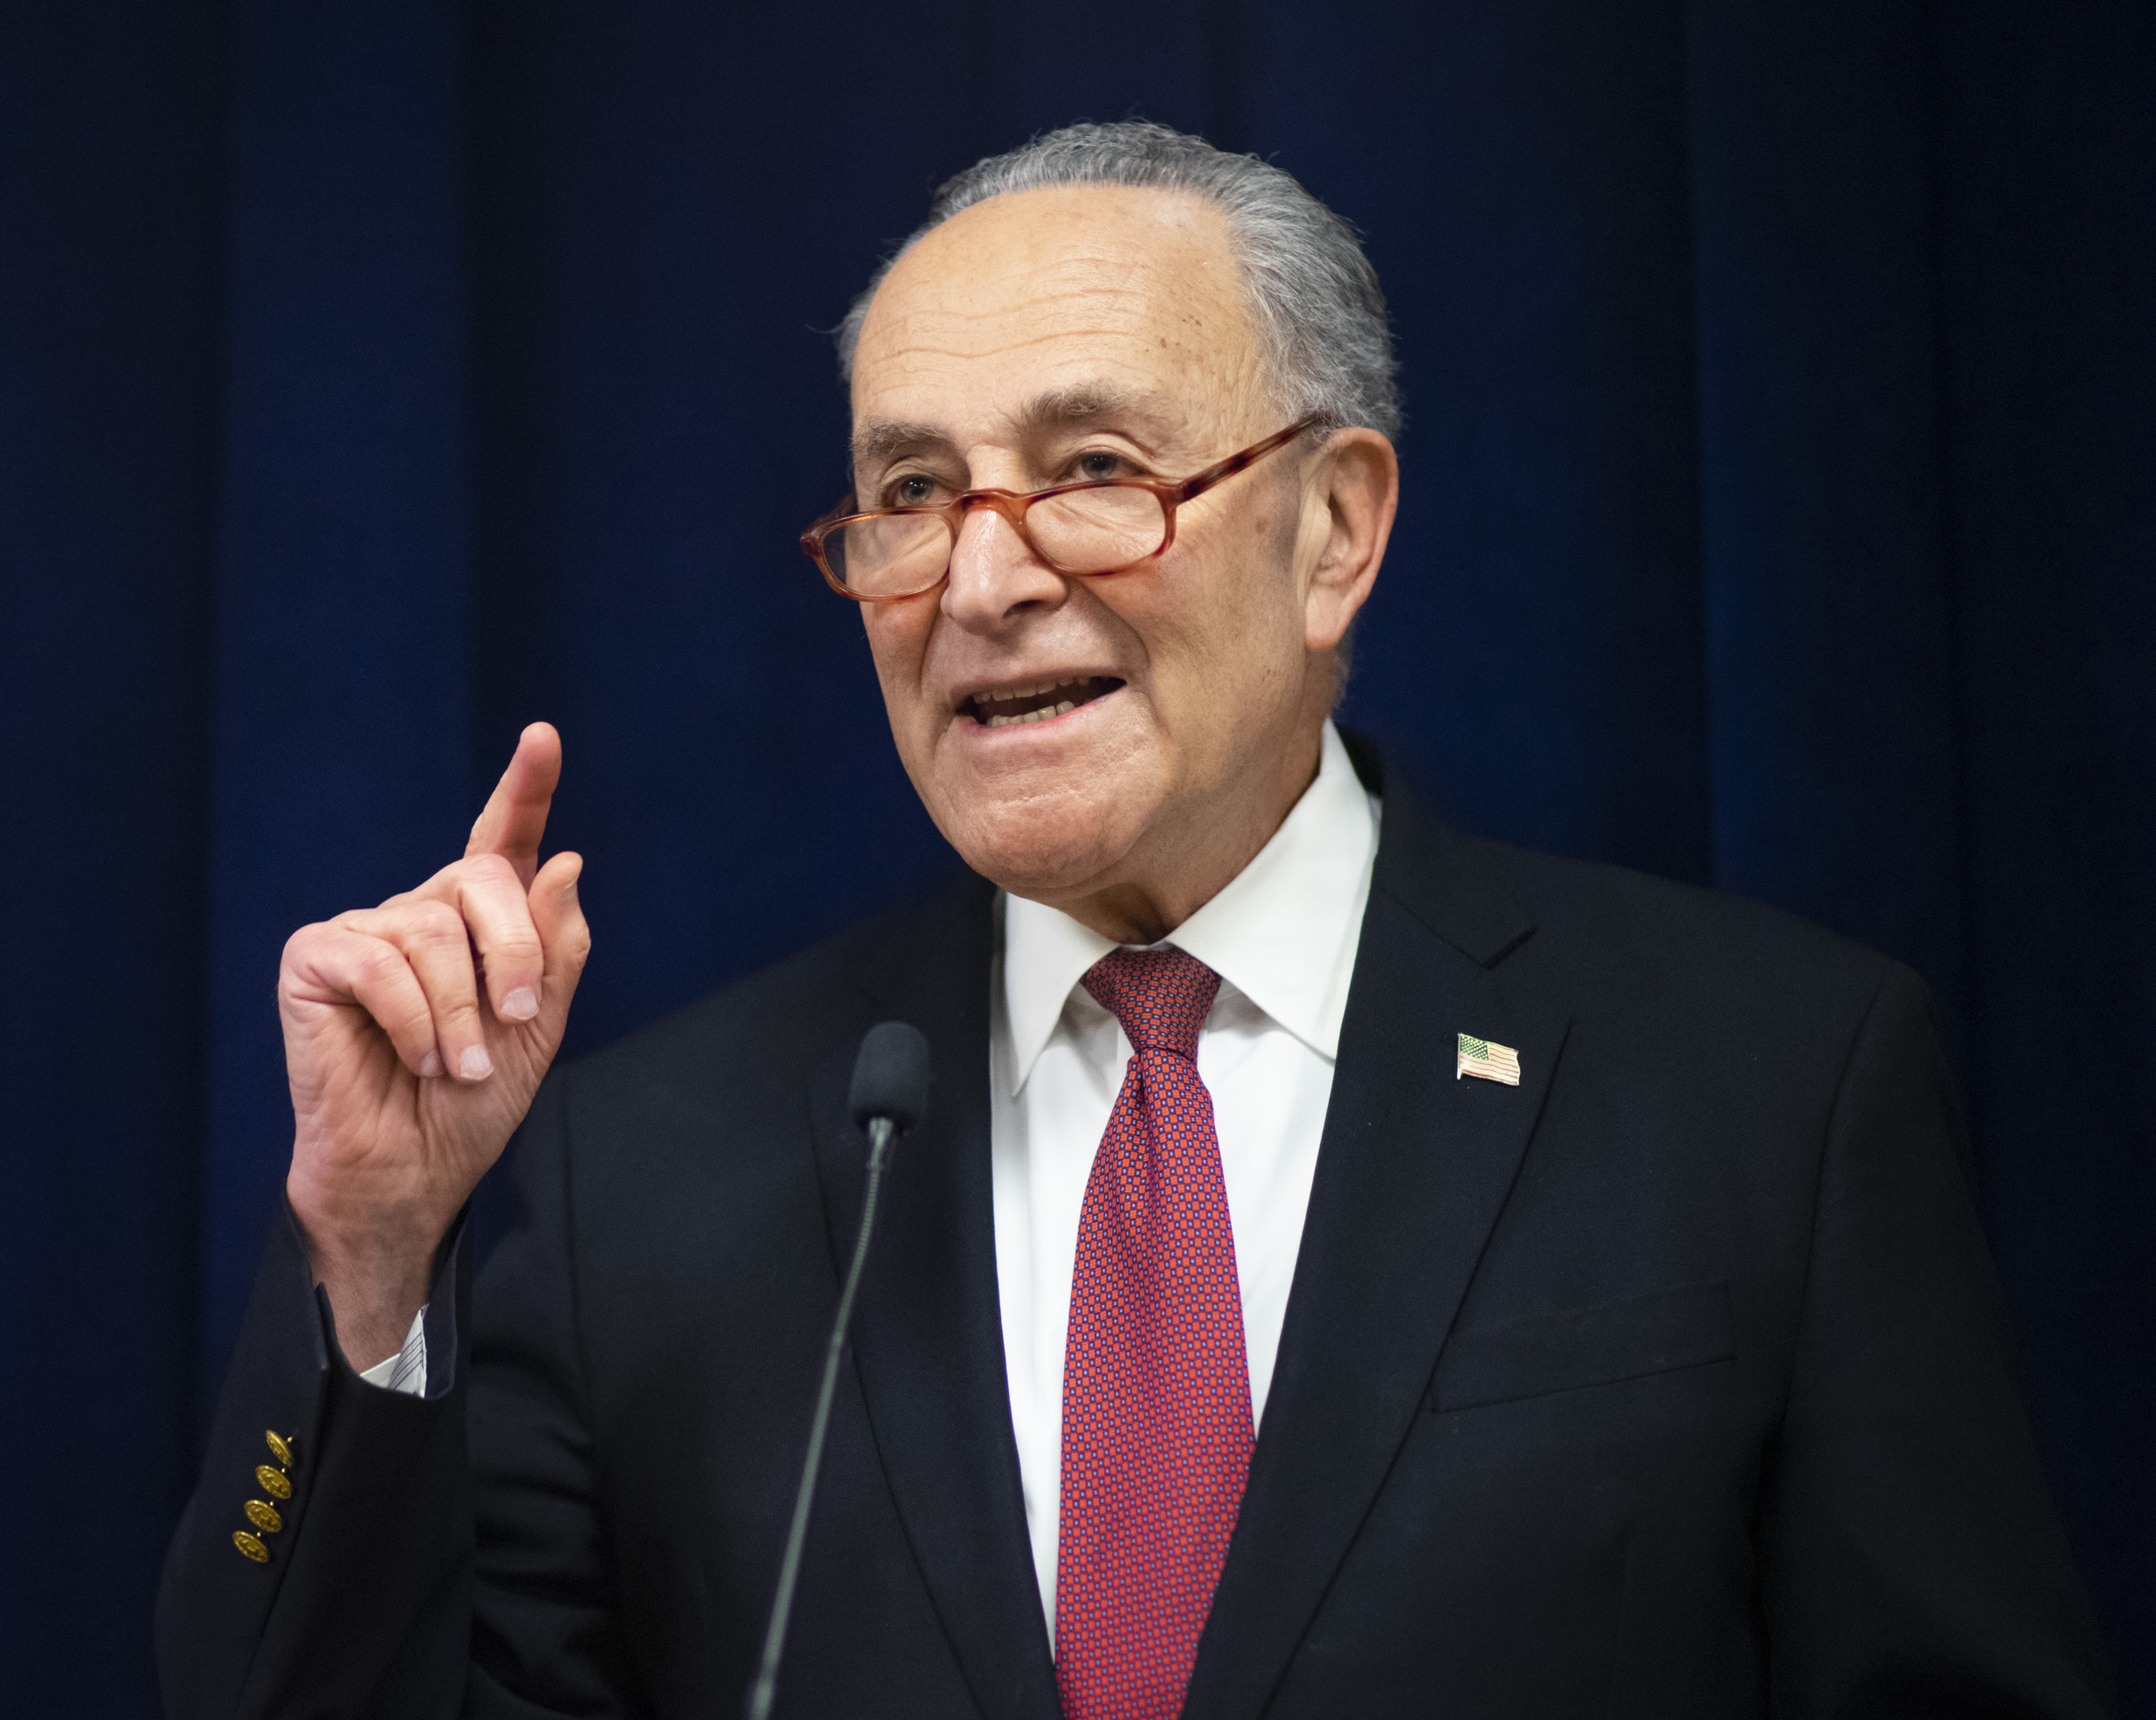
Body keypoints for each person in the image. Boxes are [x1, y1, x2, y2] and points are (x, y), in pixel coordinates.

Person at [155, 121, 2115, 1719]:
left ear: (1334, 528)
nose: (980, 579)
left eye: (1092, 470)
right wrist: (376, 1260)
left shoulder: (1769, 1086)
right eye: (908, 492)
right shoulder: (644, 1178)